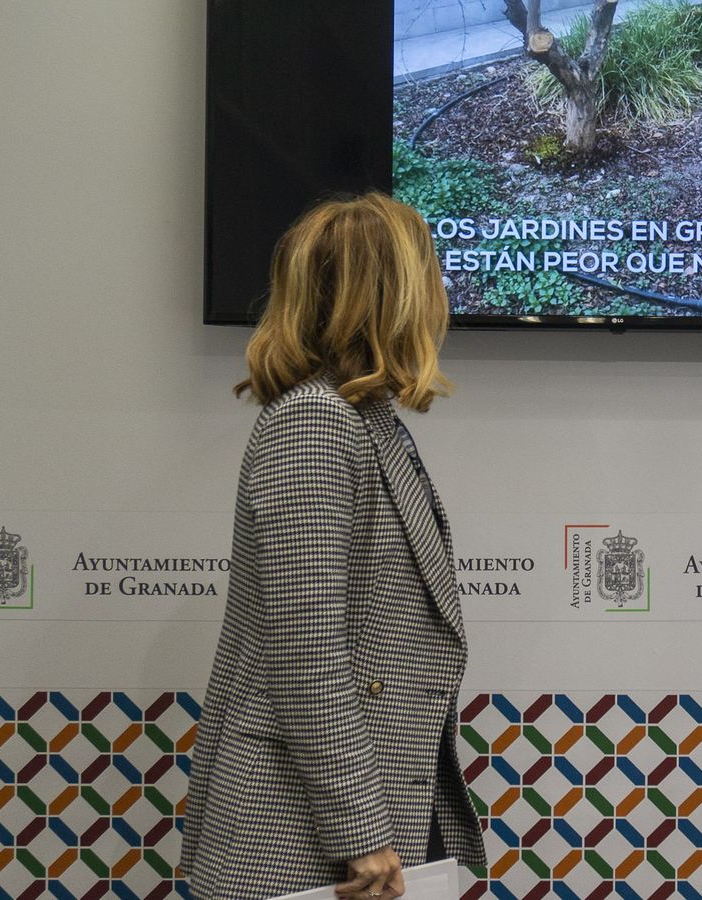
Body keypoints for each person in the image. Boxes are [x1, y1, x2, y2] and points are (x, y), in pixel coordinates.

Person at [179, 193, 486, 900]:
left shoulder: (360, 416)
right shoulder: (315, 423)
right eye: (431, 272)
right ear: (389, 294)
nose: (443, 291)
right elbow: (307, 655)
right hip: (306, 841)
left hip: (352, 822)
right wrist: (361, 833)